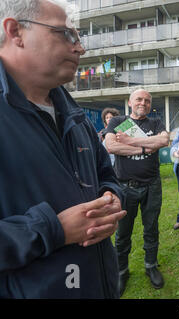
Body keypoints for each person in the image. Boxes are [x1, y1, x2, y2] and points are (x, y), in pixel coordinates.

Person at [0, 0, 127, 298]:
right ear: (15, 31)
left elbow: (105, 175)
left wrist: (111, 198)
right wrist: (53, 230)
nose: (80, 48)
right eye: (66, 34)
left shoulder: (74, 113)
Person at [104, 88, 169, 295]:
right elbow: (111, 146)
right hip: (125, 187)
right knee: (122, 233)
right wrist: (145, 148)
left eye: (147, 101)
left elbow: (163, 141)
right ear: (130, 102)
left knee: (151, 228)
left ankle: (151, 266)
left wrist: (131, 141)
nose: (143, 103)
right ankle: (121, 271)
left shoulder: (155, 122)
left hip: (152, 185)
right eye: (139, 99)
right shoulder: (117, 122)